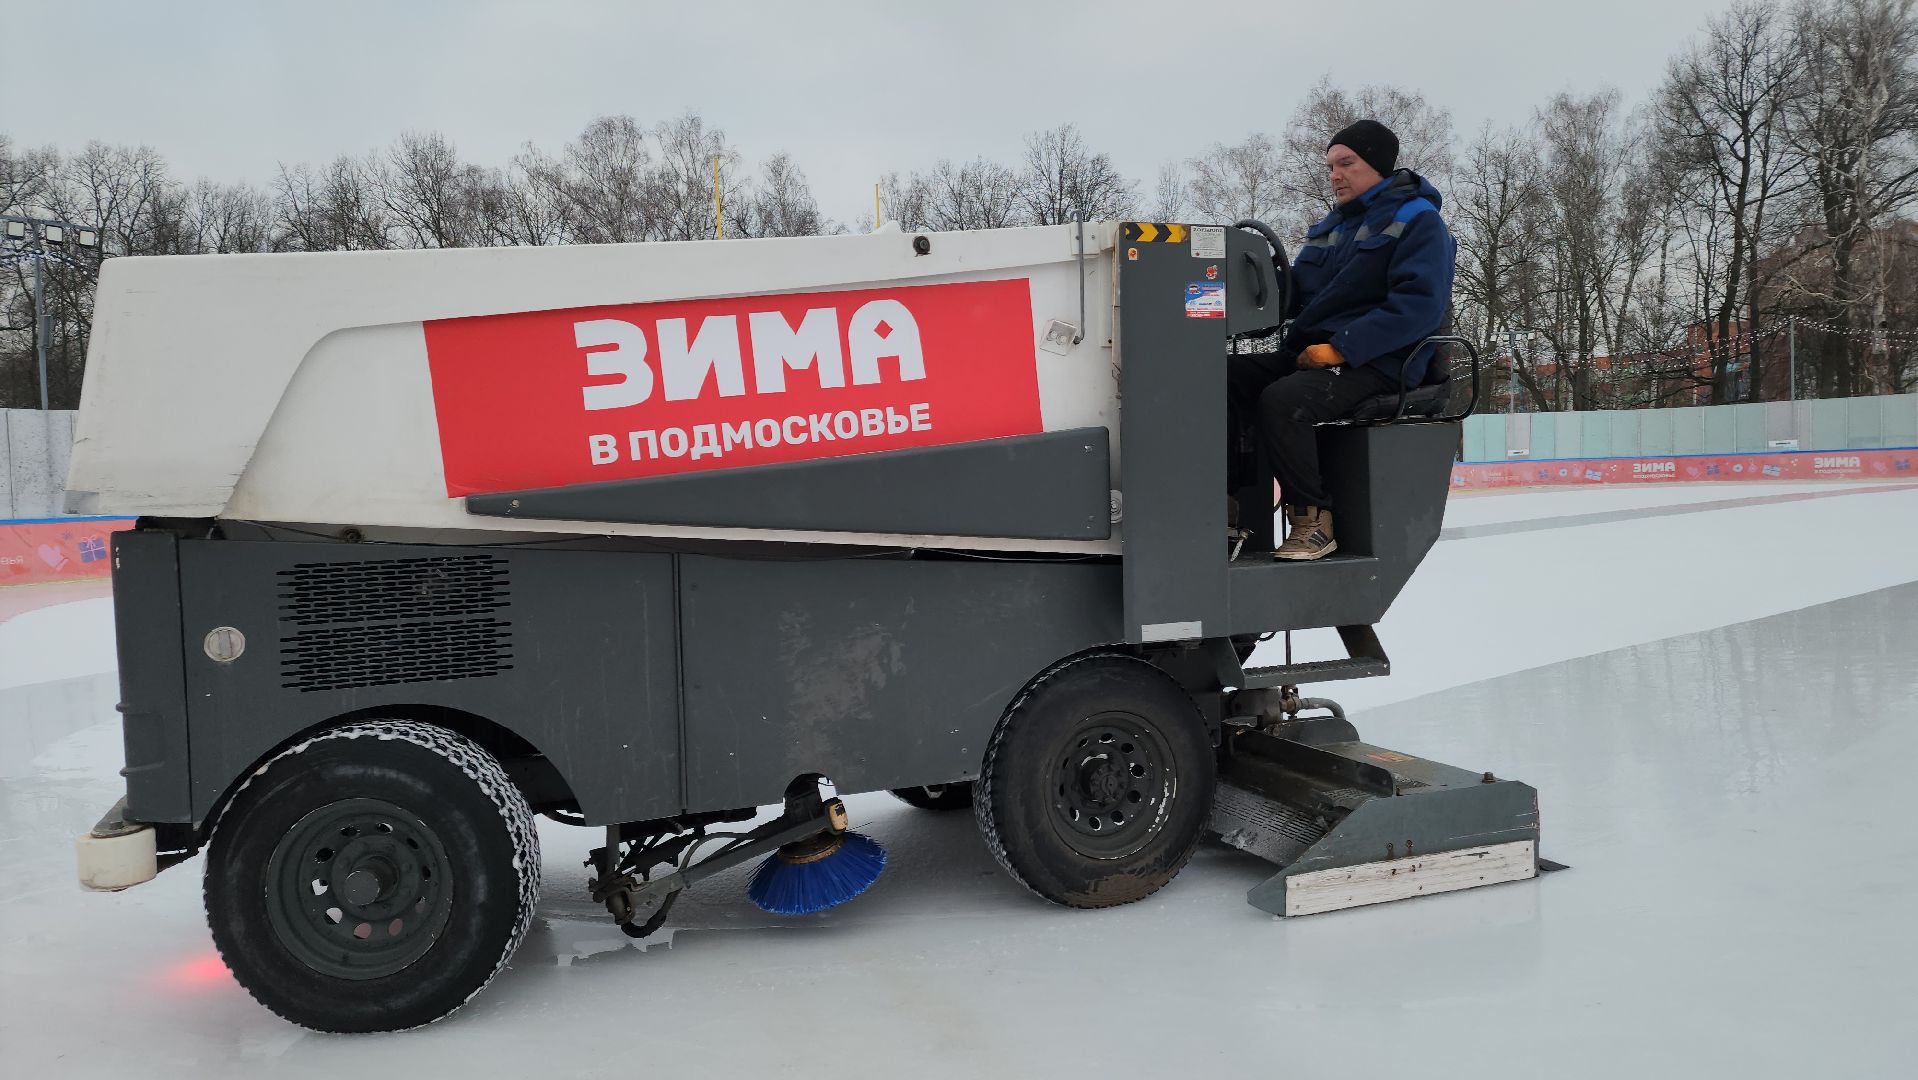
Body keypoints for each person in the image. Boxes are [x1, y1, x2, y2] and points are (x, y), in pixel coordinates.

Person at [1226, 119, 1456, 560]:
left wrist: (1343, 348)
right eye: (1331, 165)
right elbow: (1290, 293)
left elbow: (1417, 306)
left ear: (1379, 165)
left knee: (1284, 399)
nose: (1335, 174)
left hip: (1382, 359)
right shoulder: (1331, 227)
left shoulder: (1419, 221)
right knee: (1222, 377)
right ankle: (1229, 506)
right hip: (1314, 354)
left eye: (1346, 163)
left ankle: (1314, 522)